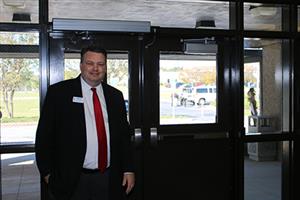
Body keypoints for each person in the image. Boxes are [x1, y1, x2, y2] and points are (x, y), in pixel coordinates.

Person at [35, 46, 135, 200]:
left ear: (106, 67)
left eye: (101, 64)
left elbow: (123, 137)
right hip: (71, 180)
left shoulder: (115, 96)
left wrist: (128, 169)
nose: (95, 68)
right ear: (81, 65)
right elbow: (44, 137)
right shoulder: (59, 93)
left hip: (108, 178)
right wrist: (47, 173)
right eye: (90, 63)